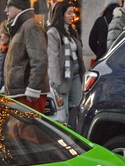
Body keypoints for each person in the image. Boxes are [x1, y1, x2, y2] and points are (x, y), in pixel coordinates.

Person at [3, 0, 50, 113]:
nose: (6, 10)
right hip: (21, 93)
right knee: (21, 129)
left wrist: (33, 88)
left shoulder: (31, 26)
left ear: (20, 7)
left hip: (27, 95)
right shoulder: (22, 26)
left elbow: (40, 60)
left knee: (28, 130)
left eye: (9, 6)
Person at [47, 1, 85, 130]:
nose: (72, 15)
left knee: (76, 104)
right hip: (63, 75)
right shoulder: (53, 33)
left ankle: (74, 133)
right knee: (64, 108)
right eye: (69, 13)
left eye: (73, 12)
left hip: (75, 74)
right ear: (61, 14)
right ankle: (66, 135)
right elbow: (53, 58)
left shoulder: (72, 31)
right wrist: (55, 81)